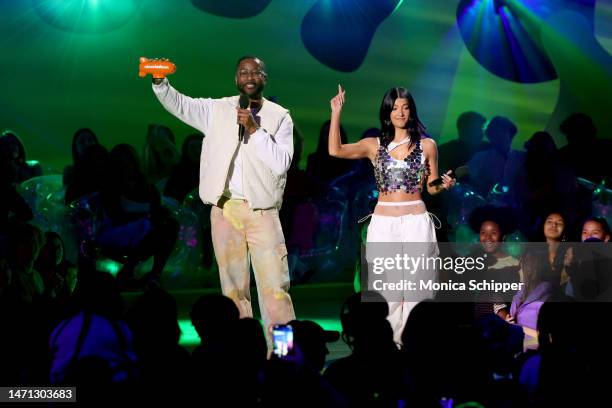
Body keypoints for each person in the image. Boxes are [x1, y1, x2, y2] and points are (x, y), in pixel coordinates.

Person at [150, 55, 295, 335]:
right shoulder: (217, 109)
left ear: (264, 78)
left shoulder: (279, 117)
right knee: (232, 290)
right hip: (225, 211)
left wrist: (255, 130)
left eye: (256, 72)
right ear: (236, 79)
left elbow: (281, 163)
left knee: (276, 288)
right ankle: (239, 349)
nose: (249, 77)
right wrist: (160, 82)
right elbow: (180, 104)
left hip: (262, 212)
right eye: (243, 72)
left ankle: (284, 353)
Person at [328, 85, 455, 342]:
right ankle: (389, 345)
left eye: (405, 107)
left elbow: (431, 187)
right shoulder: (374, 145)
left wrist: (444, 184)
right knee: (386, 288)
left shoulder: (427, 145)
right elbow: (336, 150)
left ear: (412, 111)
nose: (400, 112)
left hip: (416, 221)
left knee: (418, 285)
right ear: (387, 112)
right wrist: (336, 113)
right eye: (395, 107)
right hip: (384, 222)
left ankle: (414, 344)